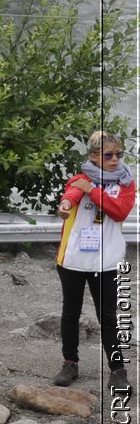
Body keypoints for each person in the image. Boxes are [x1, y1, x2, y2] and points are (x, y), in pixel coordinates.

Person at [51, 130, 134, 391]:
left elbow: (119, 212)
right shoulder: (79, 179)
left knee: (108, 317)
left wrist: (93, 191)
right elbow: (71, 196)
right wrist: (64, 206)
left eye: (118, 154)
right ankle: (70, 363)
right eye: (108, 155)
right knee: (70, 314)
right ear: (93, 156)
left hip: (107, 262)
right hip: (73, 259)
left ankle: (118, 370)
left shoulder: (127, 183)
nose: (114, 159)